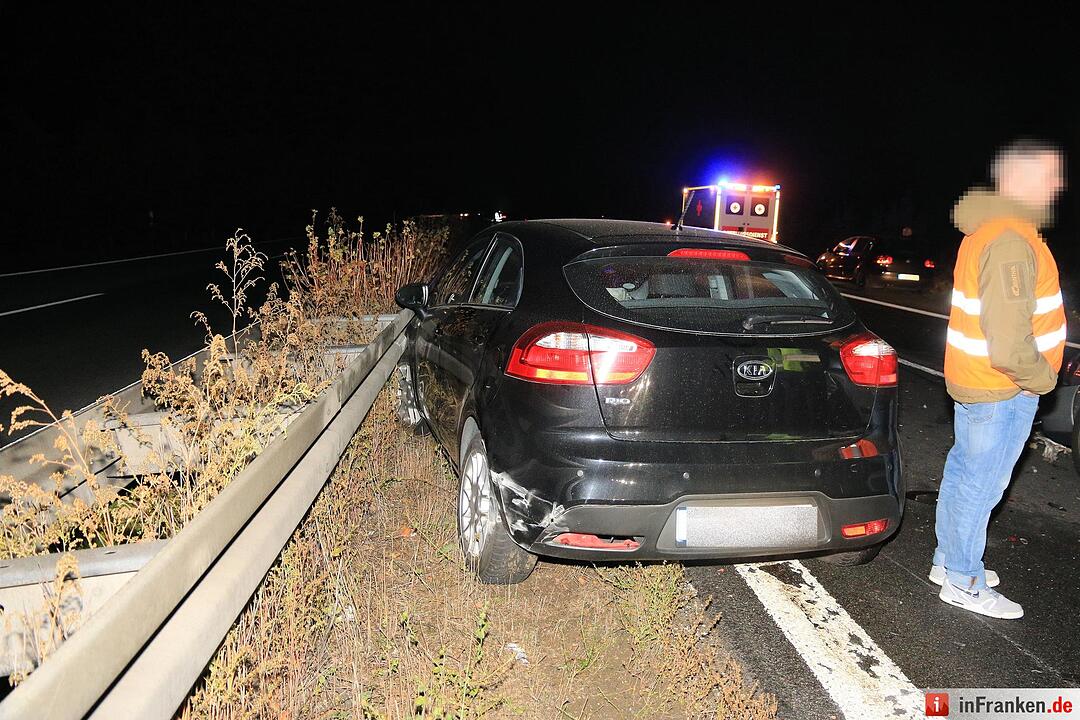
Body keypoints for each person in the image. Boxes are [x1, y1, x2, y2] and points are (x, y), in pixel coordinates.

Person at [934, 139, 1067, 619]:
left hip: (980, 380)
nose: (1058, 184)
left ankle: (949, 561)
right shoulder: (1010, 238)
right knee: (981, 484)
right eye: (1049, 175)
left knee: (964, 474)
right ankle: (963, 581)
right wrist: (1041, 379)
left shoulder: (994, 228)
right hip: (1002, 386)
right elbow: (1009, 341)